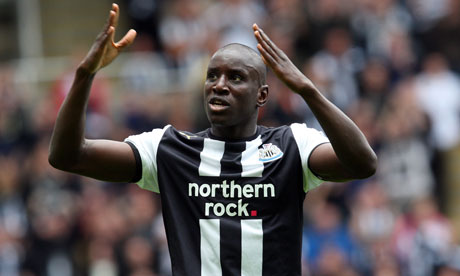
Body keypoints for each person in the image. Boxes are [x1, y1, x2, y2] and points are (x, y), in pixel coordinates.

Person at [49, 4, 377, 276]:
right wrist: (84, 76)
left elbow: (362, 163)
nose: (219, 85)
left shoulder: (292, 143)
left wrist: (308, 90)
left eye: (235, 78)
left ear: (262, 95)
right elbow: (68, 156)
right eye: (212, 75)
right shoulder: (169, 148)